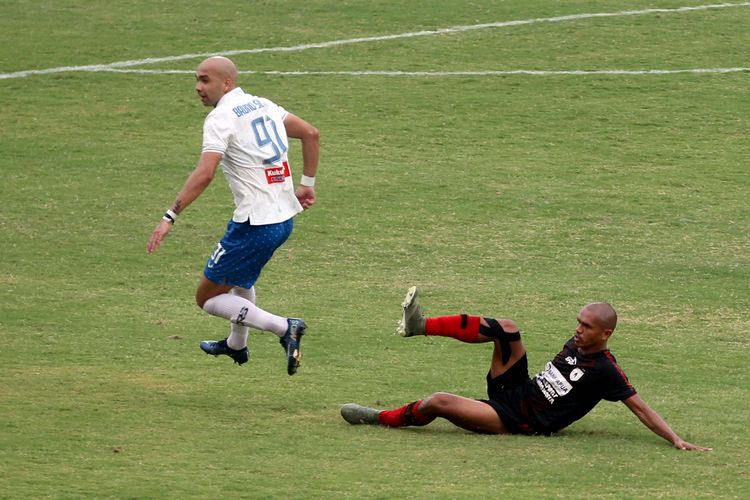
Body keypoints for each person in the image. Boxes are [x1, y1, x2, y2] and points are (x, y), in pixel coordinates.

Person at [341, 287, 711, 451]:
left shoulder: (605, 370)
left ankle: (380, 418)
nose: (578, 329)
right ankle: (420, 325)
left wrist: (675, 439)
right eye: (578, 322)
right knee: (508, 327)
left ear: (605, 334)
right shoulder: (577, 343)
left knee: (438, 401)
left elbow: (641, 407)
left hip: (516, 420)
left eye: (586, 326)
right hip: (514, 392)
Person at [147, 56, 320, 375]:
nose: (198, 87)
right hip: (283, 220)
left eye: (205, 80)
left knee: (208, 298)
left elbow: (204, 174)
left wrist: (170, 216)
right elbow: (310, 133)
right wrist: (307, 185)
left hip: (254, 225)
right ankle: (236, 344)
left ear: (226, 83)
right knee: (241, 280)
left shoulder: (220, 118)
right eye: (196, 81)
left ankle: (285, 327)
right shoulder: (262, 104)